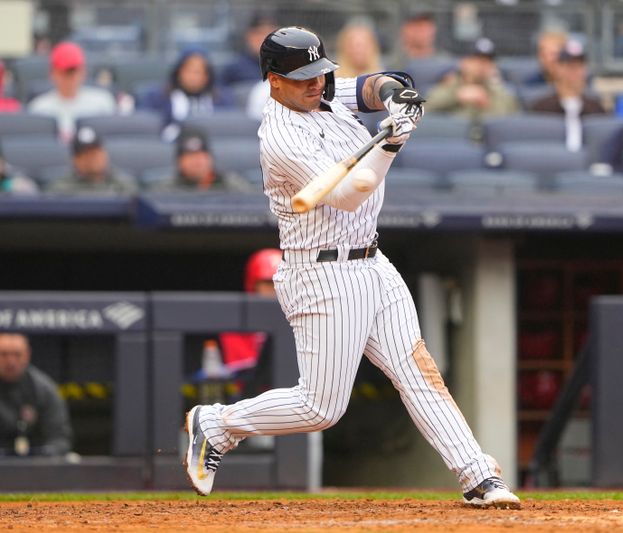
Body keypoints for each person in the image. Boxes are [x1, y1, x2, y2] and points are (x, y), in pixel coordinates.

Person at [184, 26, 520, 509]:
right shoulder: (281, 136)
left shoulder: (324, 93)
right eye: (303, 77)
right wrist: (390, 144)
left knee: (416, 369)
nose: (316, 83)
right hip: (321, 274)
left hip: (371, 261)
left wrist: (397, 99)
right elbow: (347, 194)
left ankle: (478, 475)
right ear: (273, 80)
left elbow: (377, 83)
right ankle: (215, 425)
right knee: (320, 407)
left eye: (320, 72)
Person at [139, 48, 235, 141]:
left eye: (198, 72)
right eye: (189, 71)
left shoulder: (222, 99)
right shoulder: (157, 97)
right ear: (178, 72)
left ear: (207, 76)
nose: (193, 77)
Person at [0, 333, 72, 457]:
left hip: (36, 465)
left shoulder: (44, 389)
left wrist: (43, 454)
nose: (10, 361)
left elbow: (60, 439)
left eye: (17, 355)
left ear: (27, 355)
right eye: (4, 354)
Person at [27, 42, 116, 140]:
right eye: (64, 72)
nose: (70, 78)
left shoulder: (102, 102)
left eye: (74, 71)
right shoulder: (39, 108)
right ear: (52, 73)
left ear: (83, 72)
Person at [529, 40, 606, 151]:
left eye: (579, 66)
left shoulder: (596, 108)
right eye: (570, 66)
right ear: (557, 68)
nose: (575, 72)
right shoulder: (541, 107)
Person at [425, 37, 519, 121]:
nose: (482, 66)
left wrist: (486, 104)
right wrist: (456, 96)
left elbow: (511, 123)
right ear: (464, 62)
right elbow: (425, 109)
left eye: (488, 61)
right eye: (477, 60)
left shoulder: (500, 92)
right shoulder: (450, 84)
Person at [150, 127, 252, 193]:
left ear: (210, 158)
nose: (196, 161)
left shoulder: (232, 185)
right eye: (189, 156)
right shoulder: (165, 190)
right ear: (179, 162)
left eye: (200, 155)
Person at [47, 126, 137, 195]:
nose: (92, 158)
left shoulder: (124, 185)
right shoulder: (60, 190)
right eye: (85, 154)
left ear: (104, 154)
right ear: (75, 160)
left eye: (95, 152)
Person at [220, 11, 278, 87]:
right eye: (259, 33)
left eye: (269, 33)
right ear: (248, 36)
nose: (264, 38)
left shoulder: (287, 67)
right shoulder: (234, 70)